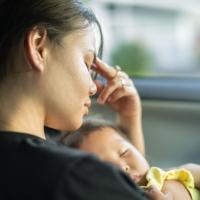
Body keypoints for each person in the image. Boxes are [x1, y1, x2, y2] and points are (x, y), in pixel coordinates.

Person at [0, 0, 171, 199]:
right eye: (87, 64)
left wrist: (128, 120)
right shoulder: (75, 175)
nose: (93, 87)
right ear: (39, 47)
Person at [59, 59, 200, 199]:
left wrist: (193, 172)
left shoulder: (166, 175)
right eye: (106, 169)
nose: (122, 167)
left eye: (124, 152)